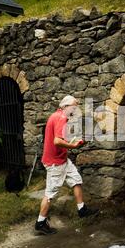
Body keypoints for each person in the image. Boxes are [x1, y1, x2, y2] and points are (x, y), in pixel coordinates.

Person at [35, 95, 99, 235]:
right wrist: (72, 146)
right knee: (50, 193)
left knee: (76, 179)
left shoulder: (56, 115)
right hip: (55, 162)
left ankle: (82, 209)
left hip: (61, 159)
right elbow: (57, 141)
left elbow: (58, 137)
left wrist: (74, 141)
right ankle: (40, 222)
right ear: (65, 106)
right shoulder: (61, 118)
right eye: (74, 107)